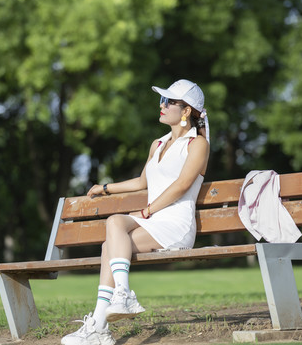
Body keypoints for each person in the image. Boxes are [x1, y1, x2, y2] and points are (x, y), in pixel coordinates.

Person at [61, 79, 210, 345]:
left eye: (169, 101)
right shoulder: (158, 144)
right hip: (155, 221)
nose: (161, 105)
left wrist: (148, 210)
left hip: (175, 225)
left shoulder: (197, 145)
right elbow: (142, 182)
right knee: (111, 242)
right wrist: (105, 188)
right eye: (162, 100)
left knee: (114, 230)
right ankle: (103, 321)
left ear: (186, 111)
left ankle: (111, 311)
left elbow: (182, 185)